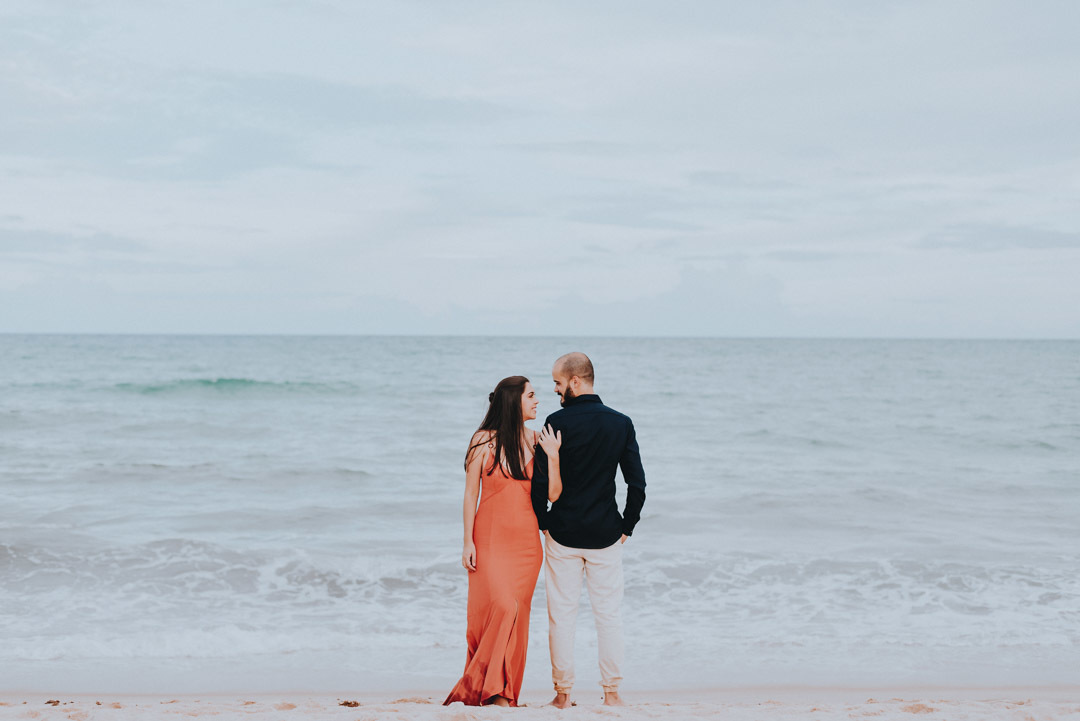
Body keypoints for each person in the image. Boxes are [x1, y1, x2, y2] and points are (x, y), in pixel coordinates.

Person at [531, 352, 646, 708]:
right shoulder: (620, 423)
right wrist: (627, 524)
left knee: (561, 616)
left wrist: (544, 522)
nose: (554, 389)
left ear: (575, 382)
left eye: (557, 382)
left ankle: (562, 695)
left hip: (563, 534)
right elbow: (637, 483)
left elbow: (539, 484)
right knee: (608, 615)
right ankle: (612, 694)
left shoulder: (555, 421)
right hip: (606, 534)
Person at [444, 375, 561, 707]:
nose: (538, 401)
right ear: (514, 402)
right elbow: (470, 495)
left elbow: (554, 494)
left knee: (517, 615)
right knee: (500, 607)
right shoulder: (482, 440)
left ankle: (504, 694)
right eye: (532, 396)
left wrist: (553, 457)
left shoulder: (539, 440)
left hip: (527, 544)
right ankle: (486, 685)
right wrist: (467, 541)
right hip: (490, 538)